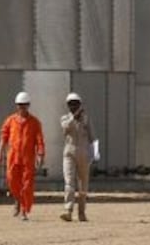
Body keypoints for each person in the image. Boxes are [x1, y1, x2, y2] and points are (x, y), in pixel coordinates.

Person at [0, 91, 45, 221]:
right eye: (20, 105)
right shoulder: (10, 121)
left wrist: (40, 154)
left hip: (28, 158)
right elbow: (3, 137)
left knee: (27, 184)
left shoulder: (35, 122)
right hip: (13, 157)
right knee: (11, 180)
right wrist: (0, 152)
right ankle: (17, 199)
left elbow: (39, 140)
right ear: (16, 106)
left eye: (24, 105)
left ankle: (24, 209)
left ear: (28, 105)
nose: (22, 107)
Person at [60, 92, 95, 222]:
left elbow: (92, 137)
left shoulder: (86, 119)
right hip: (69, 152)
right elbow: (65, 128)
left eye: (76, 104)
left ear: (80, 104)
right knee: (69, 182)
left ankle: (81, 212)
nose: (73, 106)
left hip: (84, 153)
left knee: (83, 184)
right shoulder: (65, 118)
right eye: (71, 104)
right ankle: (68, 210)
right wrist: (74, 116)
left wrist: (94, 153)